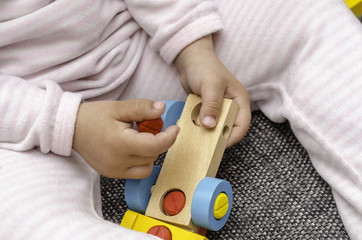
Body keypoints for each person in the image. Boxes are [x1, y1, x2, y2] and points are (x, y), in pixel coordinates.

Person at [0, 0, 361, 239]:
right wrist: (67, 124)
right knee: (23, 222)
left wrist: (192, 44)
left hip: (129, 38)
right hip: (19, 116)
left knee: (304, 14)